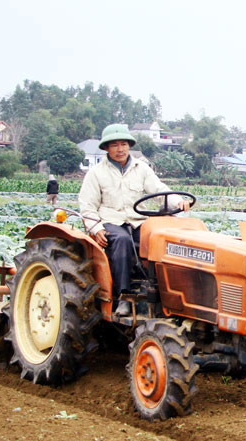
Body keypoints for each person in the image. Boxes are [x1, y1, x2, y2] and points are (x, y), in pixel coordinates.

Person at [79, 123, 190, 316]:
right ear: (106, 148)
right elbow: (87, 205)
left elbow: (158, 188)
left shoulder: (141, 168)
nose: (120, 149)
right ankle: (123, 295)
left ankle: (165, 292)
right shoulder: (96, 173)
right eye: (114, 145)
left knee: (162, 239)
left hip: (138, 220)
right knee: (121, 240)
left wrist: (178, 201)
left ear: (129, 146)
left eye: (123, 144)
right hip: (110, 221)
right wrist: (96, 228)